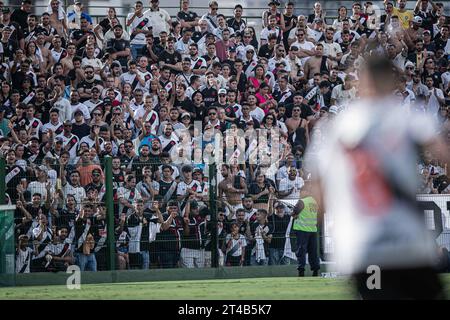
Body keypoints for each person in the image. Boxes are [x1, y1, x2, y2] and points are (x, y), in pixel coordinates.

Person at [307, 56, 449, 298]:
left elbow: (318, 187)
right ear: (391, 81)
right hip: (407, 243)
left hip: (363, 246)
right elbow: (443, 153)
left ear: (362, 83)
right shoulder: (407, 118)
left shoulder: (339, 126)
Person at [291, 182, 320, 277]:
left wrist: (293, 214)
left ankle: (301, 270)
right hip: (313, 230)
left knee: (301, 251)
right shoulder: (314, 202)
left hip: (302, 230)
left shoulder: (302, 201)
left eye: (301, 191)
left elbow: (294, 213)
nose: (300, 193)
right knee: (313, 251)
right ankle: (315, 270)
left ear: (306, 192)